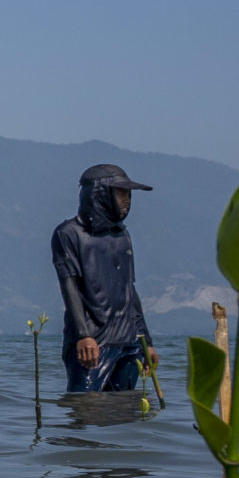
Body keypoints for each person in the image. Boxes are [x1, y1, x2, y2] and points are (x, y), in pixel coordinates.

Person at [52, 162, 152, 393]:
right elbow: (70, 287)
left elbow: (130, 290)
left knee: (125, 412)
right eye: (120, 193)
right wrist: (84, 336)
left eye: (128, 194)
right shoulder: (68, 234)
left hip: (129, 342)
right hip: (93, 343)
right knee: (85, 408)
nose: (126, 200)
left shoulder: (122, 235)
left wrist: (146, 341)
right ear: (100, 194)